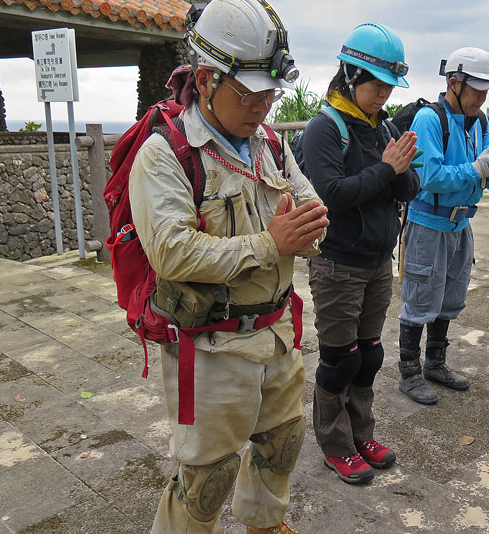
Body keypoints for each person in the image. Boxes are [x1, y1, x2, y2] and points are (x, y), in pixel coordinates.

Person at [128, 0, 329, 532]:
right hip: (211, 346)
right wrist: (271, 243)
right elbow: (171, 251)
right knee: (206, 475)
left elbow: (309, 215)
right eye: (249, 92)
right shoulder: (166, 153)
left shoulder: (269, 146)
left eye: (270, 93)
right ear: (206, 79)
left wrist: (305, 231)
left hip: (276, 333)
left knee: (280, 444)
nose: (262, 105)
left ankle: (265, 524)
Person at [301, 23, 420, 484]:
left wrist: (401, 169)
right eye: (377, 84)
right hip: (337, 263)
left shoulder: (383, 125)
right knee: (340, 358)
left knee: (369, 354)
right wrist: (387, 168)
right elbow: (330, 193)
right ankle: (335, 443)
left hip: (376, 262)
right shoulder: (323, 129)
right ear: (350, 74)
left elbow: (407, 185)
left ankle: (361, 433)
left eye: (389, 87)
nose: (384, 95)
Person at [397, 47, 489, 405]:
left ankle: (435, 362)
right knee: (420, 297)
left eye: (486, 93)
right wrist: (477, 170)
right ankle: (408, 371)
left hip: (461, 224)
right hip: (428, 223)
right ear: (454, 83)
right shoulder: (429, 120)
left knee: (451, 296)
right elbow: (429, 176)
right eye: (477, 91)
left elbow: (484, 180)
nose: (481, 99)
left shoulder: (479, 122)